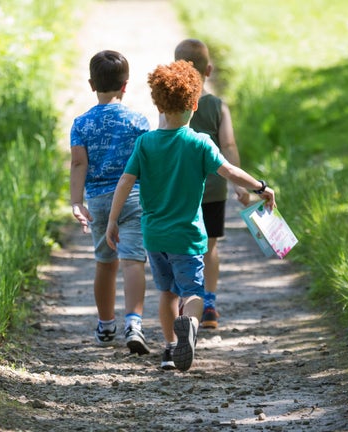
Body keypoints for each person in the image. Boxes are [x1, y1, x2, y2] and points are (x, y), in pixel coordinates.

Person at [105, 60, 275, 371]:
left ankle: (170, 348)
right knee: (193, 293)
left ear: (158, 104)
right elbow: (229, 171)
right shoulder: (199, 143)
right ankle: (191, 325)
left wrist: (112, 220)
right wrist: (260, 186)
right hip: (187, 234)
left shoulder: (145, 143)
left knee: (167, 292)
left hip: (154, 235)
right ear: (194, 104)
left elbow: (125, 182)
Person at [69, 50, 151, 355]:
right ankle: (134, 323)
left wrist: (77, 202)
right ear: (125, 85)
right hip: (133, 198)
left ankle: (105, 325)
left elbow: (79, 164)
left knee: (104, 263)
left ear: (92, 84)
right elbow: (148, 163)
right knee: (133, 261)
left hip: (101, 203)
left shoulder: (81, 123)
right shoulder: (138, 121)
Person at [174, 38, 250, 329]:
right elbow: (228, 144)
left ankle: (185, 300)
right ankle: (209, 305)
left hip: (182, 189)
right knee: (211, 246)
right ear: (209, 69)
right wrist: (239, 185)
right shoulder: (218, 106)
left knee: (183, 246)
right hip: (214, 187)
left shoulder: (173, 105)